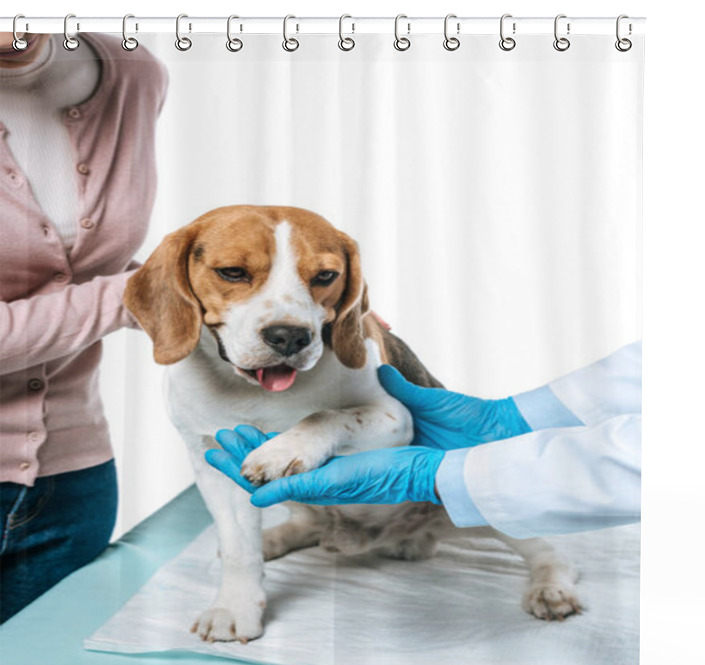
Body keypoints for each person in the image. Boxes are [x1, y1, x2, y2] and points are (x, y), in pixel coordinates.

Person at [0, 32, 168, 622]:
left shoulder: (133, 74)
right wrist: (146, 295)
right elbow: (120, 293)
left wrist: (254, 309)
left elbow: (82, 265)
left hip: (74, 482)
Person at [206, 340, 642, 539]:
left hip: (428, 516)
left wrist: (429, 475)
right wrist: (507, 420)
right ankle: (307, 530)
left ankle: (550, 568)